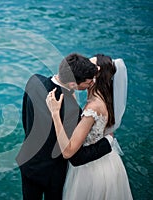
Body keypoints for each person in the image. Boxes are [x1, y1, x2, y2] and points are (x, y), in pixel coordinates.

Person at [16, 53, 114, 200]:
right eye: (88, 82)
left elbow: (26, 119)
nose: (91, 83)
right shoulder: (73, 111)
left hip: (28, 162)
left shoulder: (34, 81)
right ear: (73, 84)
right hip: (53, 174)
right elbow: (76, 157)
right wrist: (107, 142)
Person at [46, 54, 133, 199]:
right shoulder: (106, 98)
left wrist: (55, 113)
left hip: (91, 171)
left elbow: (68, 152)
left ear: (95, 77)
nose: (87, 67)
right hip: (108, 161)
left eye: (91, 67)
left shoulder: (92, 109)